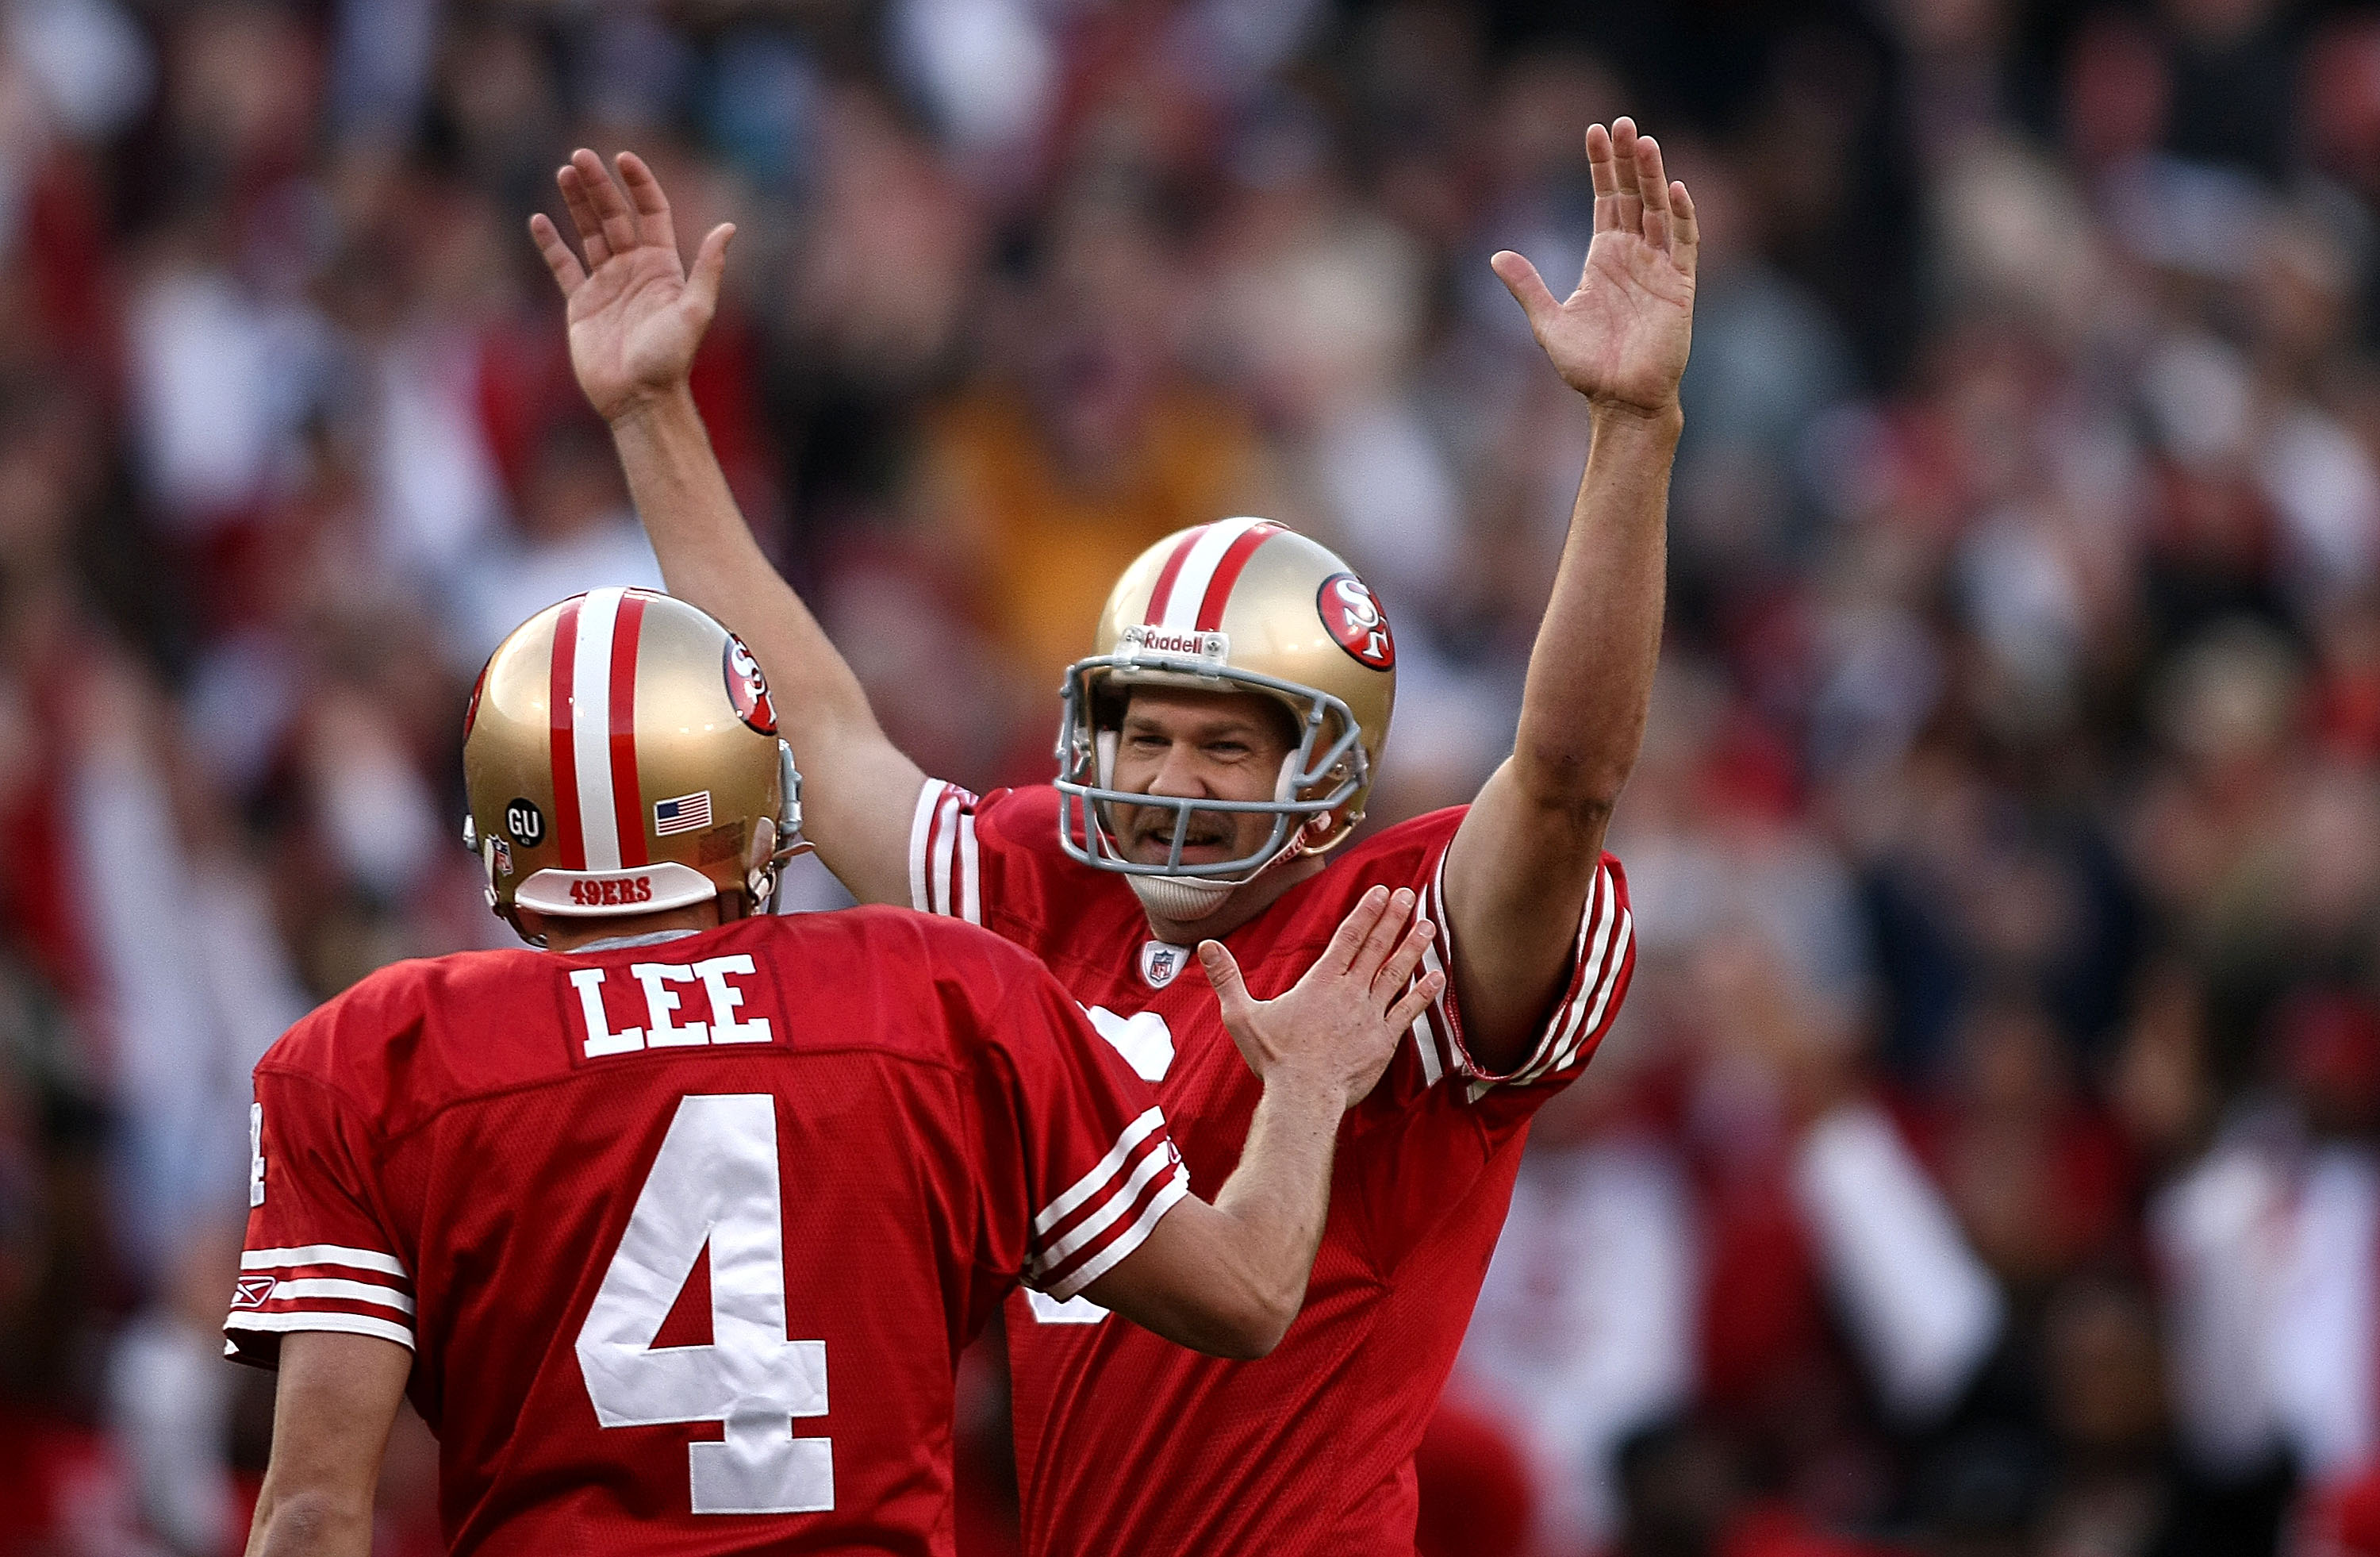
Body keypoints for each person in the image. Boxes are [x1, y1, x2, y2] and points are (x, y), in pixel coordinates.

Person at [528, 114, 1692, 1555]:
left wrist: (1631, 433)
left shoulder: (1388, 936)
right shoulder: (1046, 892)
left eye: (1222, 745)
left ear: (1325, 779)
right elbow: (816, 745)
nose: (1169, 779)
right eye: (1146, 733)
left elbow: (1569, 775)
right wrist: (653, 411)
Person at [228, 588, 1443, 1556]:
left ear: (504, 828)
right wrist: (1307, 1088)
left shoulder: (365, 1056)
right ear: (760, 807)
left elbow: (311, 1514)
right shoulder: (938, 992)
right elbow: (1245, 1296)